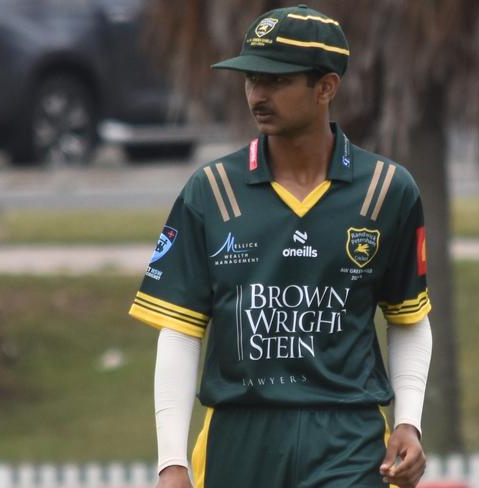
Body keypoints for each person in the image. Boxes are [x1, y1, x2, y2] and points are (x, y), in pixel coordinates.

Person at [129, 5, 433, 488]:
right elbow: (181, 330)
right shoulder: (210, 191)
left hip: (347, 437)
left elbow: (409, 318)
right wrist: (172, 461)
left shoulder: (386, 191)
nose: (257, 94)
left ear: (326, 87)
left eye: (276, 80)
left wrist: (408, 420)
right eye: (251, 78)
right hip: (239, 436)